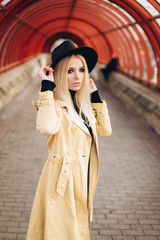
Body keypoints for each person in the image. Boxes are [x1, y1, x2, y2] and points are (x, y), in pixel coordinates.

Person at [26, 40, 112, 240]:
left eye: (81, 70)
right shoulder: (54, 102)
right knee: (60, 232)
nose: (78, 76)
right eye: (70, 71)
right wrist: (46, 87)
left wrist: (96, 97)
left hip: (81, 178)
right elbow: (46, 128)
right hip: (60, 180)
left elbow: (105, 130)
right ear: (58, 73)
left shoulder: (83, 104)